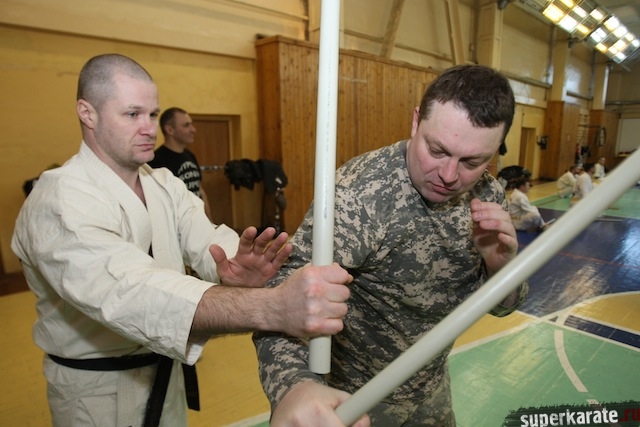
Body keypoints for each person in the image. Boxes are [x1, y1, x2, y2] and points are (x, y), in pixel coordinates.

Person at [11, 53, 354, 427]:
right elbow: (131, 291)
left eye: (153, 114)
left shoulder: (163, 183)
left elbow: (205, 238)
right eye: (132, 114)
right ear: (87, 113)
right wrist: (272, 307)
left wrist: (234, 266)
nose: (149, 129)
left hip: (165, 374)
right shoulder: (59, 199)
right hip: (95, 395)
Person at [254, 64, 529, 426]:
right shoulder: (359, 196)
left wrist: (501, 268)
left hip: (431, 392)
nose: (449, 175)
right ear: (416, 122)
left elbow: (505, 307)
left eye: (472, 161)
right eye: (437, 150)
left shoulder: (488, 195)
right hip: (356, 401)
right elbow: (280, 300)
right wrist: (294, 388)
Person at [148, 107, 213, 220]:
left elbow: (200, 190)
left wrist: (210, 222)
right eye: (186, 125)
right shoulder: (156, 161)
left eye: (191, 124)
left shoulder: (189, 155)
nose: (193, 130)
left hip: (198, 222)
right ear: (170, 130)